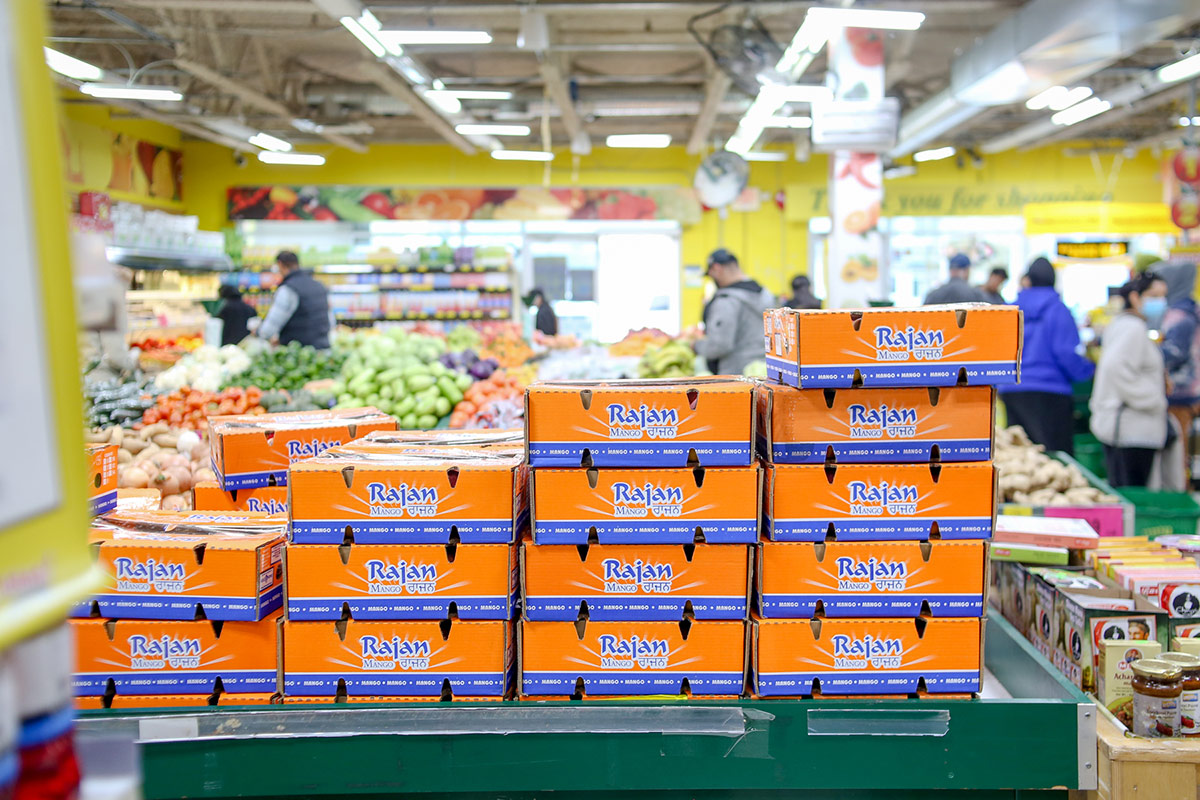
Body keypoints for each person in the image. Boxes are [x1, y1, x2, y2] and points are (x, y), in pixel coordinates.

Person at [999, 258, 1094, 454]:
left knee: (1020, 455)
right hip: (1050, 392)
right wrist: (1088, 371)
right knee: (1053, 456)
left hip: (1012, 390)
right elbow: (1065, 352)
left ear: (1029, 280)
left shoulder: (1011, 310)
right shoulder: (1058, 310)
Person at [1089, 270, 1169, 487]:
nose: (1161, 302)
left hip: (1130, 428)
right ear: (1135, 297)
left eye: (1163, 296)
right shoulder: (1132, 329)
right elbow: (1115, 366)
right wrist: (1153, 399)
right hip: (1132, 429)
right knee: (1132, 491)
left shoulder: (1125, 325)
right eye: (1153, 296)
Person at [693, 248, 775, 375]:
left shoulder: (726, 301)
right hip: (764, 372)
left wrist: (697, 346)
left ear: (716, 269)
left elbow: (719, 345)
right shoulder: (766, 294)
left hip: (735, 377)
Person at [1157, 260, 1200, 481]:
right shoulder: (1184, 311)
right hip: (1182, 391)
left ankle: (1181, 489)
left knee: (1178, 453)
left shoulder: (1181, 316)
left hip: (1180, 393)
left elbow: (1175, 353)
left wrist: (1148, 354)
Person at [256, 250, 332, 349]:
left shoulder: (288, 289)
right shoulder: (319, 286)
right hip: (323, 349)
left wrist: (258, 332)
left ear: (280, 264)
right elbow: (330, 321)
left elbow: (269, 327)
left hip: (299, 354)